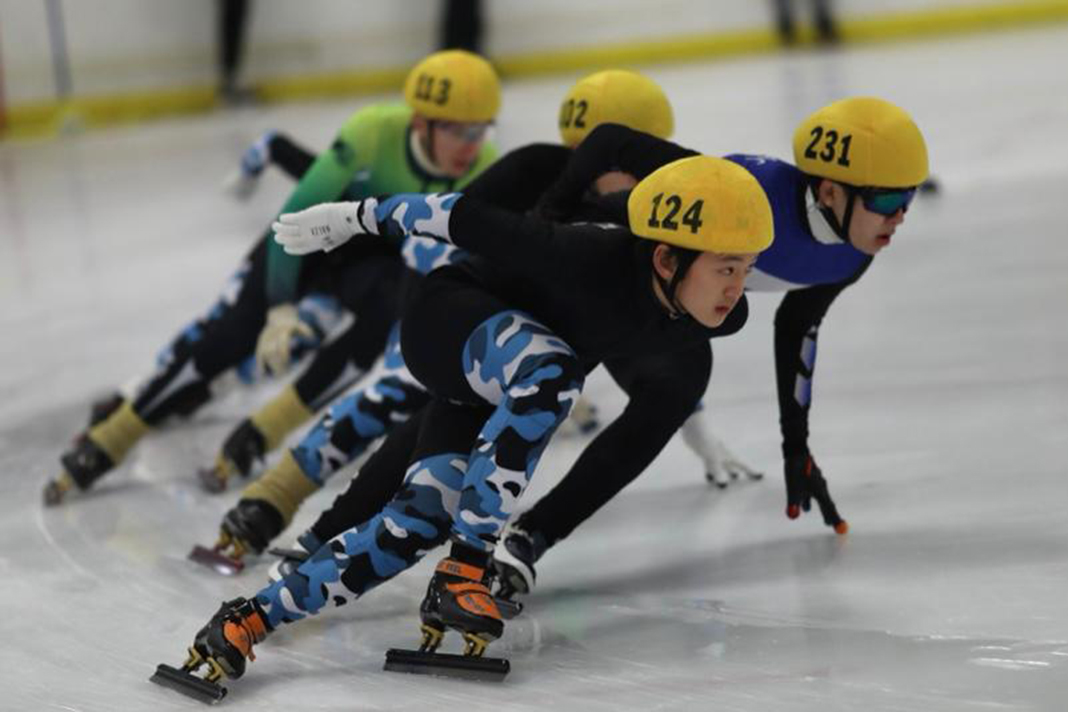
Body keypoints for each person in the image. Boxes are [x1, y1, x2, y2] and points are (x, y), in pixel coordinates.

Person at [160, 154, 774, 691]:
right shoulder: (591, 253)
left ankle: (246, 621)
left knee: (414, 523)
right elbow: (466, 218)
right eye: (726, 268)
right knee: (555, 371)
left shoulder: (718, 311)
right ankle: (465, 568)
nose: (736, 289)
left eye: (746, 268)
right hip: (447, 321)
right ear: (666, 258)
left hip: (499, 376)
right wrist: (354, 219)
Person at [203, 68, 704, 566]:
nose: (587, 172)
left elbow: (663, 321)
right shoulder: (531, 170)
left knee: (669, 386)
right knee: (398, 395)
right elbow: (434, 231)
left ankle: (515, 538)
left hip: (556, 341)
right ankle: (277, 500)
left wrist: (687, 411)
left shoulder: (654, 211)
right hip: (468, 309)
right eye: (579, 156)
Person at [490, 95, 930, 597]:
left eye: (910, 200)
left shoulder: (854, 253)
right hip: (585, 267)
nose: (900, 218)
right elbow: (609, 140)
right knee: (485, 393)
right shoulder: (747, 191)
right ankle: (441, 517)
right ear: (831, 192)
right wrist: (548, 221)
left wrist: (796, 447)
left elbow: (798, 327)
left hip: (649, 310)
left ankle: (532, 534)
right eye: (890, 202)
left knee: (677, 385)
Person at [43, 50, 501, 505]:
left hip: (372, 259)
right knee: (237, 331)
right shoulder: (373, 131)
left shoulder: (487, 167)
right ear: (420, 123)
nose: (471, 146)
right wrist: (280, 304)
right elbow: (297, 214)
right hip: (312, 235)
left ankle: (261, 432)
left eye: (481, 130)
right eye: (459, 131)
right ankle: (110, 439)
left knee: (387, 318)